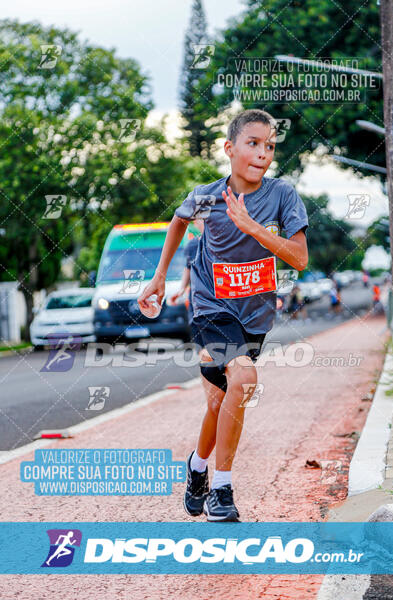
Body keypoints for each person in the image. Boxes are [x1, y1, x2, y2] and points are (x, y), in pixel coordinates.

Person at [138, 109, 309, 521]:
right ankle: (222, 488)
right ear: (230, 148)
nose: (263, 153)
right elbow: (179, 222)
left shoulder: (282, 195)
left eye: (270, 146)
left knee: (219, 404)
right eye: (253, 143)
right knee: (245, 378)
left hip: (255, 316)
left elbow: (300, 258)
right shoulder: (206, 196)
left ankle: (197, 468)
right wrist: (160, 277)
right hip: (211, 309)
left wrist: (253, 227)